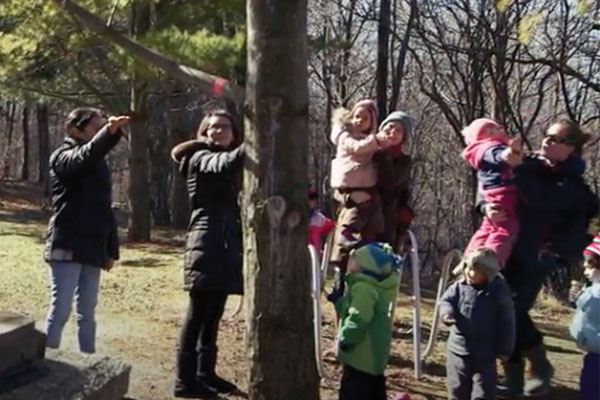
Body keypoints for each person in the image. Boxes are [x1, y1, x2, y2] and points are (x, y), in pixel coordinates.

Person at [478, 119, 598, 397]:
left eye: (556, 139)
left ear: (571, 149)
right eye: (546, 136)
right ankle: (516, 376)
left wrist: (519, 169)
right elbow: (491, 185)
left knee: (513, 310)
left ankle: (537, 366)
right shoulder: (529, 165)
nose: (546, 141)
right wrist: (485, 207)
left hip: (543, 255)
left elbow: (537, 199)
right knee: (500, 309)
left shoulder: (573, 186)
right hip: (509, 246)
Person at [44, 108, 130, 354]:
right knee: (61, 309)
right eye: (95, 127)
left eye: (102, 127)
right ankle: (47, 363)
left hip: (93, 247)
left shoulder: (98, 163)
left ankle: (90, 362)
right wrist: (109, 132)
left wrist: (111, 249)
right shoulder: (62, 156)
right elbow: (83, 157)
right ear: (75, 128)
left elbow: (104, 208)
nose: (99, 131)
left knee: (87, 313)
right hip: (67, 243)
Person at [170, 109, 243, 398]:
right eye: (212, 127)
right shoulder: (199, 157)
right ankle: (184, 381)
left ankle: (205, 373)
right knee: (198, 312)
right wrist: (257, 138)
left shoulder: (220, 155)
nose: (218, 131)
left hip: (223, 244)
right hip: (205, 240)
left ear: (234, 132)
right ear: (203, 131)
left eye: (224, 127)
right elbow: (223, 163)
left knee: (215, 312)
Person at [328, 100, 400, 301]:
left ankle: (363, 273)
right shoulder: (345, 137)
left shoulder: (373, 144)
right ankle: (339, 273)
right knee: (346, 232)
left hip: (368, 196)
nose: (359, 121)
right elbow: (358, 148)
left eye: (365, 118)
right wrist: (379, 140)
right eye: (356, 116)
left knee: (369, 232)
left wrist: (383, 142)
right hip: (353, 193)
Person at [440, 248, 515, 400]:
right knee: (457, 389)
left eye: (475, 270)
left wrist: (505, 349)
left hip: (485, 352)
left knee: (483, 392)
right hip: (458, 348)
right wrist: (446, 313)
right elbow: (446, 301)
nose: (469, 272)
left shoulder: (499, 292)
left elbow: (507, 321)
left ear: (487, 273)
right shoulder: (459, 286)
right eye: (467, 267)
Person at [334, 242, 402, 400]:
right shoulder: (376, 287)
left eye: (353, 260)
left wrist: (346, 339)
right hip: (373, 361)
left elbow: (359, 317)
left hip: (361, 357)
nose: (349, 263)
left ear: (364, 266)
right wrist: (339, 302)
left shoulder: (364, 288)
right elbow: (355, 309)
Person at [461, 118, 523, 266]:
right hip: (504, 194)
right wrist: (511, 151)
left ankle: (468, 260)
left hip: (492, 196)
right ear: (488, 132)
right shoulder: (490, 147)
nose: (503, 129)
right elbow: (500, 156)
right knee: (505, 230)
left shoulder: (479, 151)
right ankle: (489, 263)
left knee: (487, 229)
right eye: (498, 127)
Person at [374, 111, 415, 249]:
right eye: (390, 127)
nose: (392, 132)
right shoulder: (367, 150)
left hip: (387, 216)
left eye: (398, 130)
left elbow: (391, 183)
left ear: (403, 138)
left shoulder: (404, 161)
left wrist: (384, 153)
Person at [569, 235, 600, 400]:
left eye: (590, 266)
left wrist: (580, 298)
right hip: (593, 351)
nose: (585, 271)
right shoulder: (593, 290)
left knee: (591, 391)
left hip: (596, 353)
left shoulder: (595, 294)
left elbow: (591, 317)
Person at [308, 187, 335, 253]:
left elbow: (332, 226)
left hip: (315, 256)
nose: (314, 201)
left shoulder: (318, 218)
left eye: (315, 198)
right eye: (311, 198)